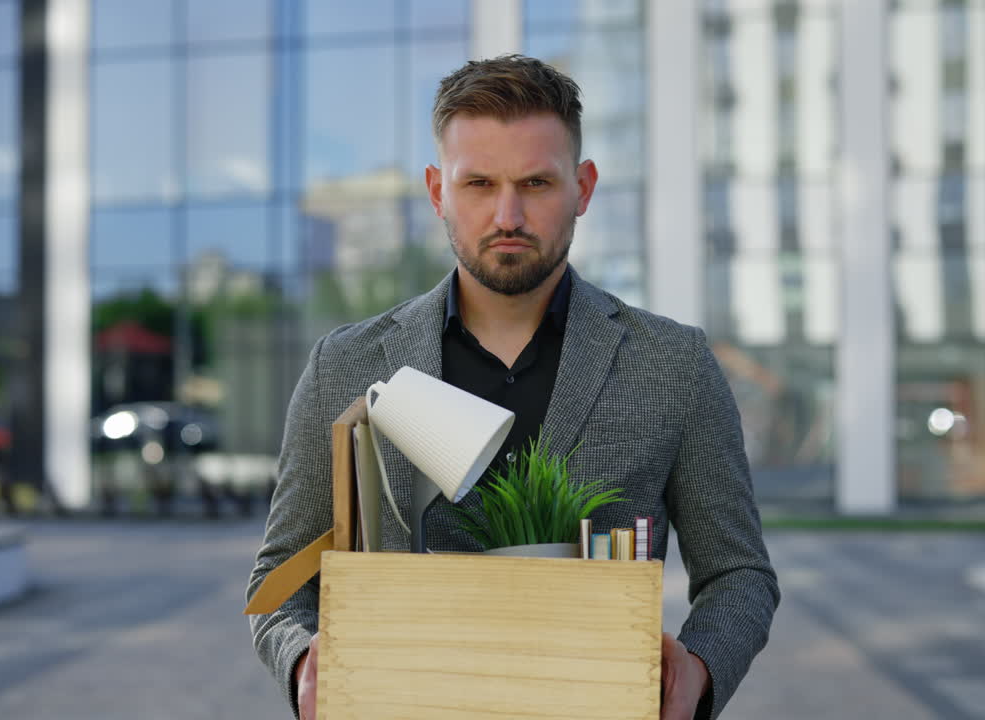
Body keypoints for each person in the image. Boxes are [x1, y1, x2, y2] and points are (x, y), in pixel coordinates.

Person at [248, 54, 780, 720]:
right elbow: (279, 584)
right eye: (478, 184)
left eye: (536, 182)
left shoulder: (675, 364)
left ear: (582, 187)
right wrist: (302, 661)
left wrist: (699, 668)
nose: (508, 214)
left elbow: (739, 574)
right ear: (437, 190)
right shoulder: (346, 365)